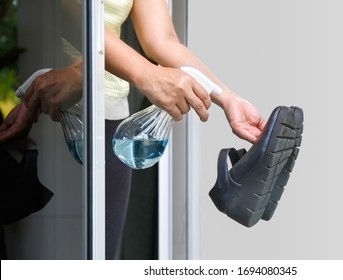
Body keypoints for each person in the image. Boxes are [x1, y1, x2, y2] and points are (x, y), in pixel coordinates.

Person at [0, 0, 266, 259]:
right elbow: (73, 12)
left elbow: (162, 40)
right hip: (52, 111)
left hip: (110, 119)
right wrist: (148, 75)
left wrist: (228, 98)